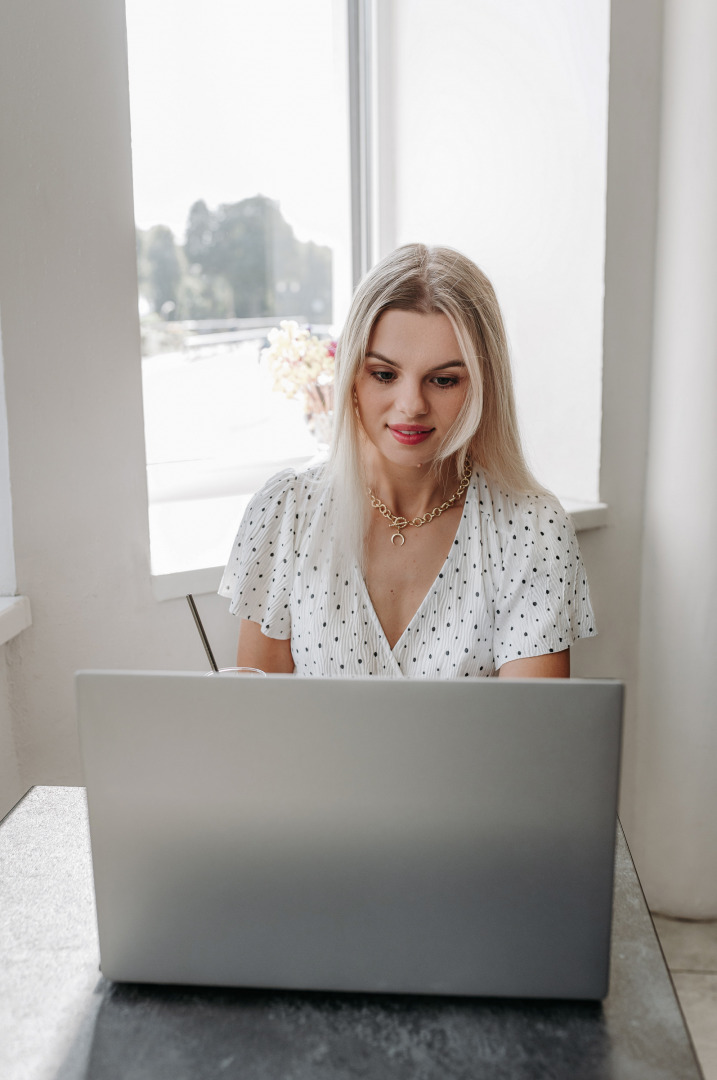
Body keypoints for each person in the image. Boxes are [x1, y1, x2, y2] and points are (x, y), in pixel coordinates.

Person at [219, 244, 595, 677]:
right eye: (384, 374)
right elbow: (264, 727)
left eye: (443, 380)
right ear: (351, 376)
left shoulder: (531, 528)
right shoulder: (287, 511)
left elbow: (533, 737)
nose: (411, 405)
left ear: (483, 386)